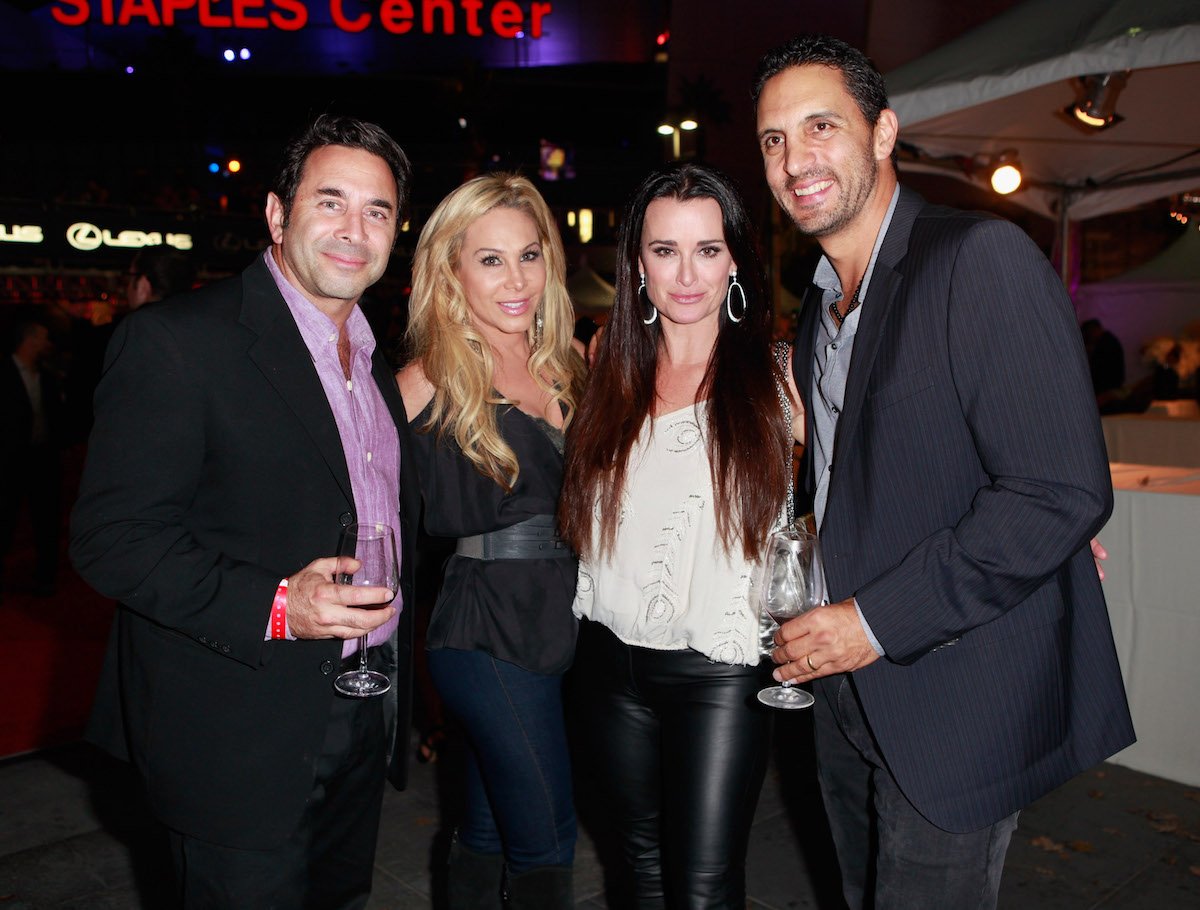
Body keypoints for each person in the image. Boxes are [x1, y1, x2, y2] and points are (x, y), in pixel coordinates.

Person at [752, 34, 1134, 909]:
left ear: (883, 132)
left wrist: (874, 621)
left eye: (820, 127)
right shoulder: (818, 303)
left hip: (952, 696)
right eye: (774, 139)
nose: (795, 159)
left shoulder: (976, 258)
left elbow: (1061, 490)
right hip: (846, 698)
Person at [69, 114, 421, 908]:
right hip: (237, 731)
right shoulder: (178, 342)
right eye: (330, 202)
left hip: (364, 708)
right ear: (276, 214)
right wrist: (277, 604)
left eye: (378, 211)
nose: (354, 230)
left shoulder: (375, 362)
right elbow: (111, 540)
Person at [558, 161, 804, 908]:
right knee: (635, 874)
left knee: (700, 889)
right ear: (638, 263)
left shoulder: (776, 375)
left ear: (735, 260)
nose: (686, 273)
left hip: (720, 673)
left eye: (708, 249)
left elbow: (883, 475)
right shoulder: (607, 363)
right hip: (605, 661)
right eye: (665, 250)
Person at [395, 173, 584, 908]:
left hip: (561, 621)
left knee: (485, 827)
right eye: (490, 259)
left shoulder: (569, 364)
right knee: (546, 837)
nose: (517, 280)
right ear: (451, 269)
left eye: (529, 255)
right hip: (485, 632)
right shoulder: (425, 379)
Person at [1, 318, 65, 599]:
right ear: (29, 340)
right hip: (8, 462)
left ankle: (44, 578)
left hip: (42, 461)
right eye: (43, 337)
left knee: (46, 522)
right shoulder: (3, 374)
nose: (47, 344)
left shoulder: (46, 377)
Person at [125, 245, 198, 311]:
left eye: (130, 278)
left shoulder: (135, 323)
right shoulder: (201, 318)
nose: (127, 289)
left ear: (142, 285)